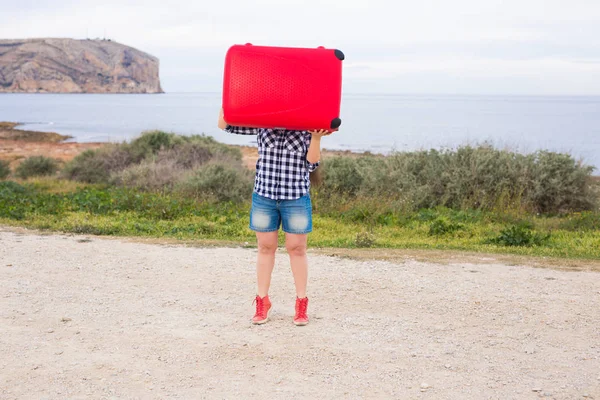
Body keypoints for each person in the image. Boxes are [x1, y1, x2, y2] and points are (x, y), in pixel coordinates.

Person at [218, 108, 332, 326]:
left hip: (295, 196)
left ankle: (301, 303)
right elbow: (225, 125)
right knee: (265, 247)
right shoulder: (263, 122)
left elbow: (312, 163)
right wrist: (228, 99)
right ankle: (263, 301)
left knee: (297, 248)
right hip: (264, 196)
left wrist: (316, 137)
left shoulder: (305, 126)